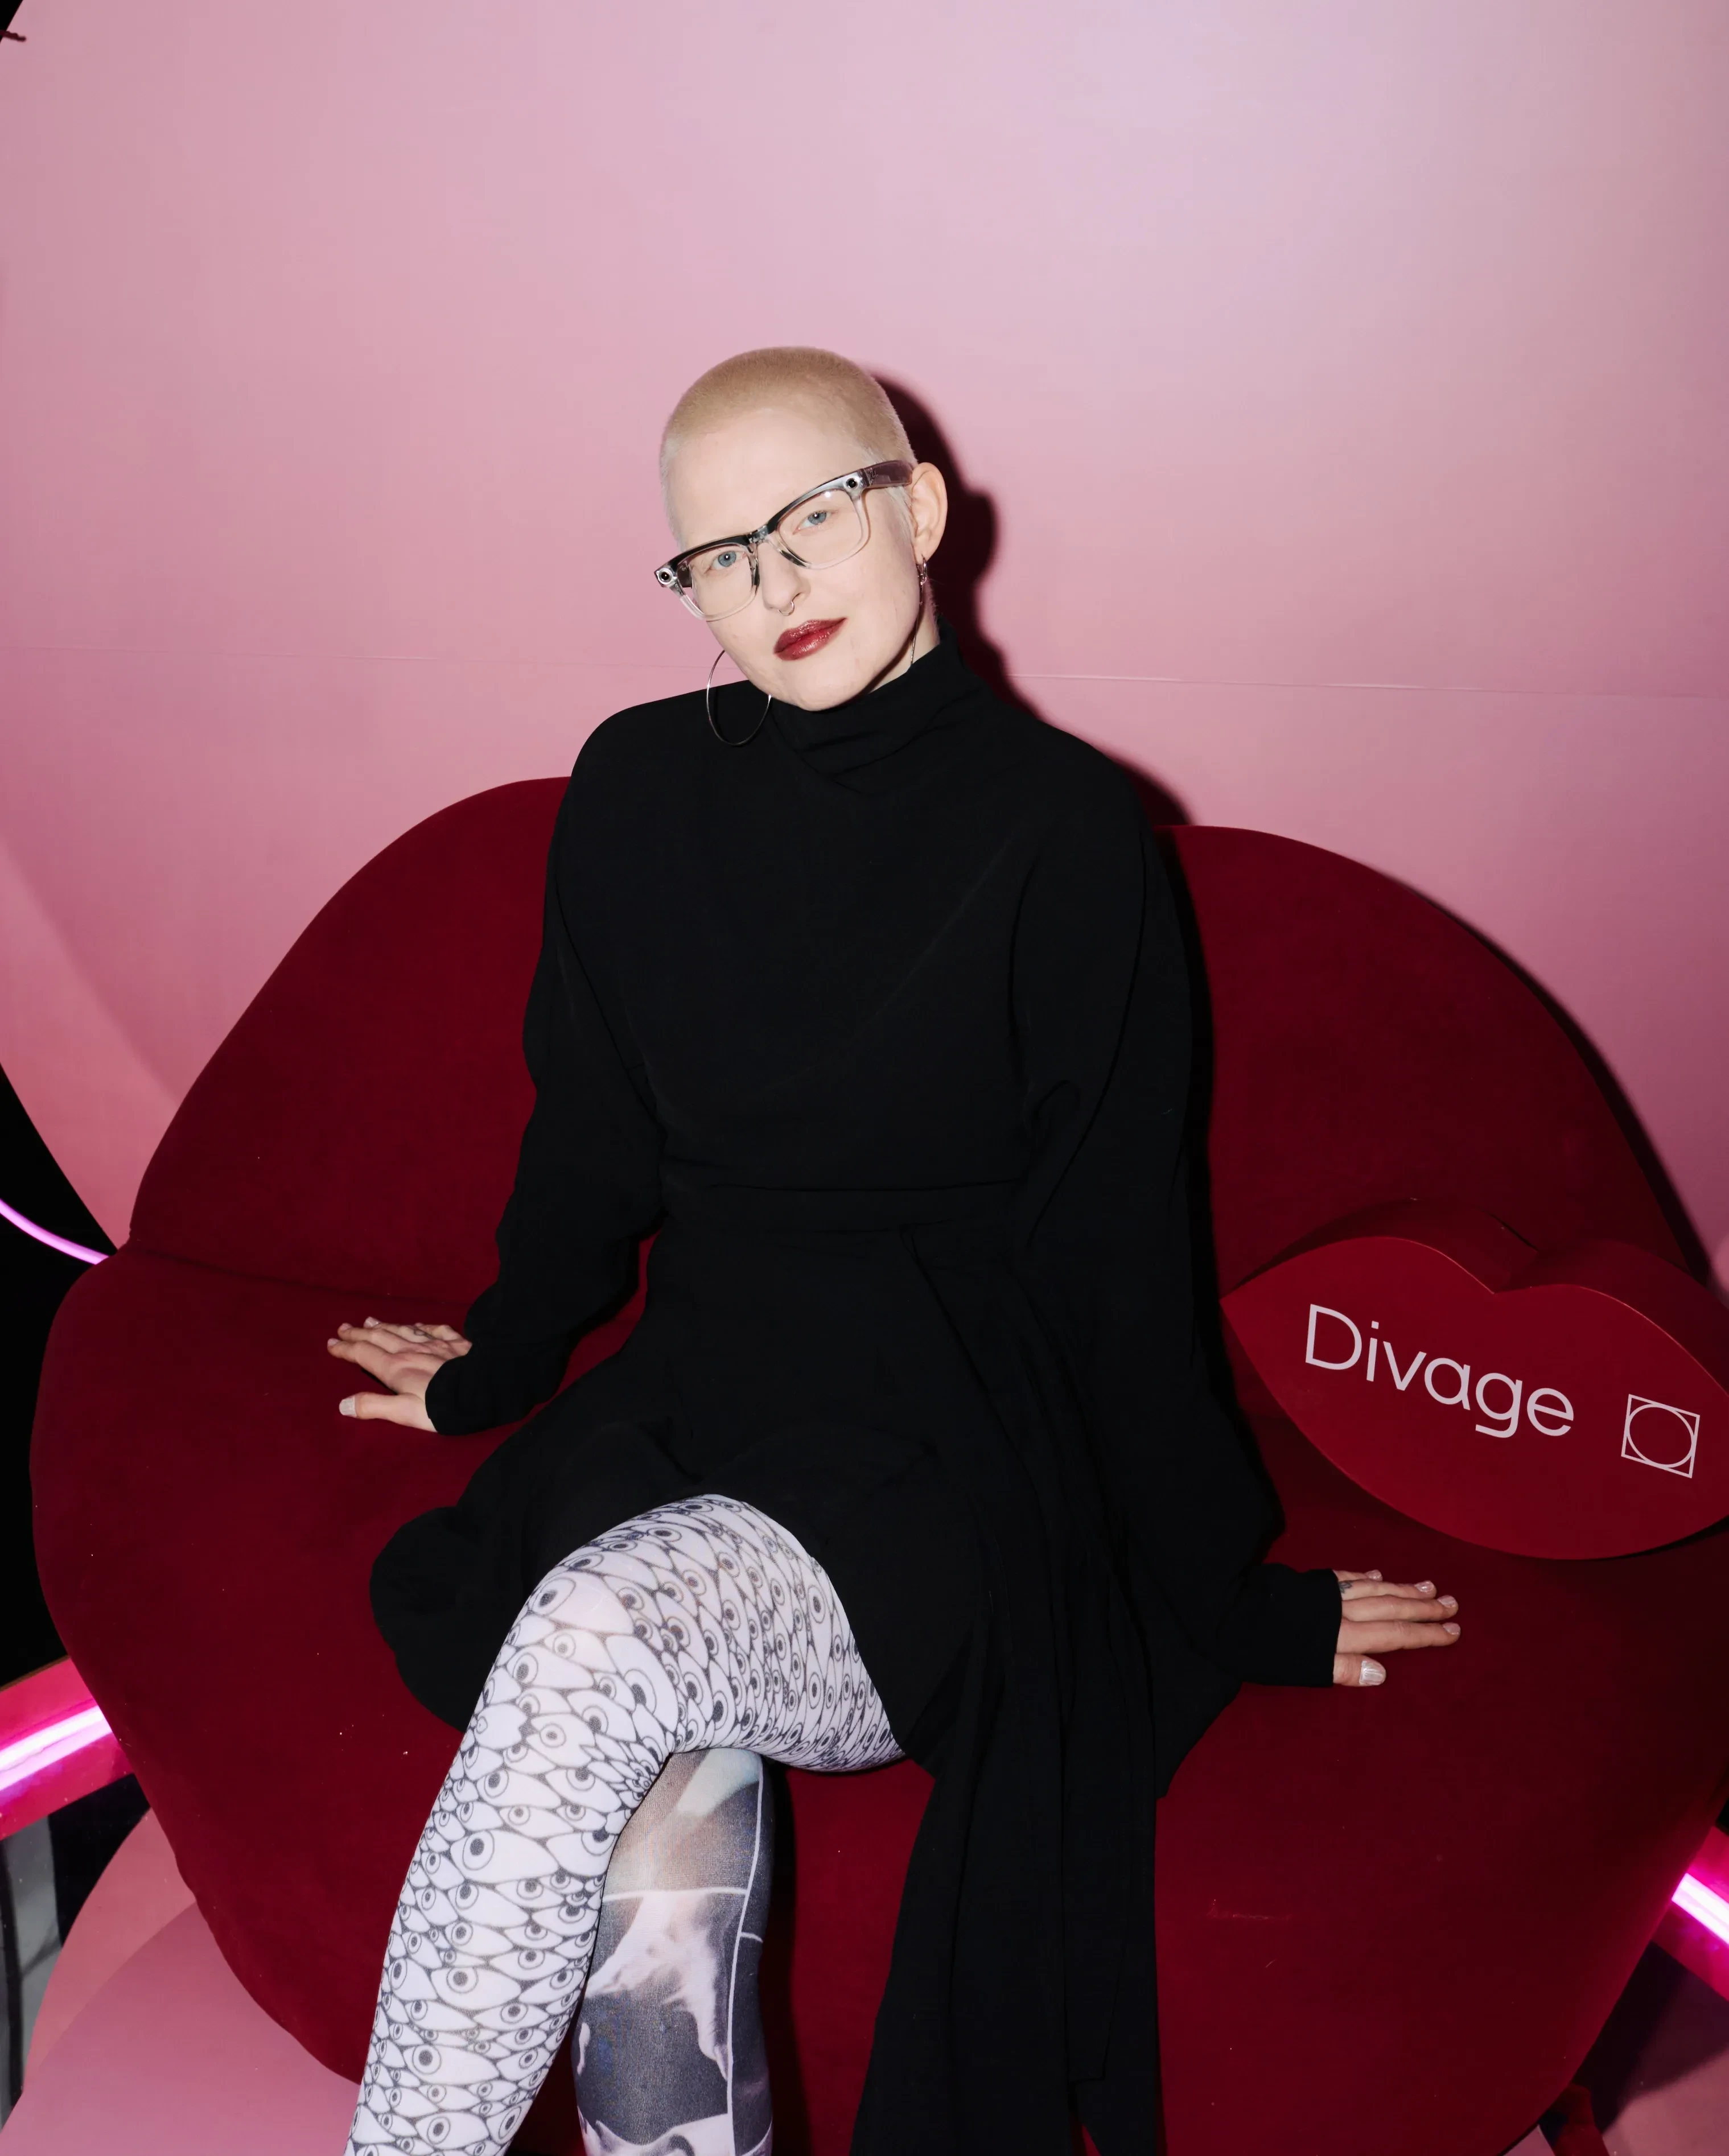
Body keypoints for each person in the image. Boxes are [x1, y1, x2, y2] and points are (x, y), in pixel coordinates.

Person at [329, 348, 1462, 2156]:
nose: (771, 580)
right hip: (693, 1414)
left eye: (812, 517)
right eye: (717, 555)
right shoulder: (634, 786)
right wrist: (496, 1358)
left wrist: (1229, 1598)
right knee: (647, 1835)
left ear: (919, 508)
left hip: (941, 1461)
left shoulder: (1064, 830)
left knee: (596, 1637)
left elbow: (1117, 1260)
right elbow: (589, 1139)